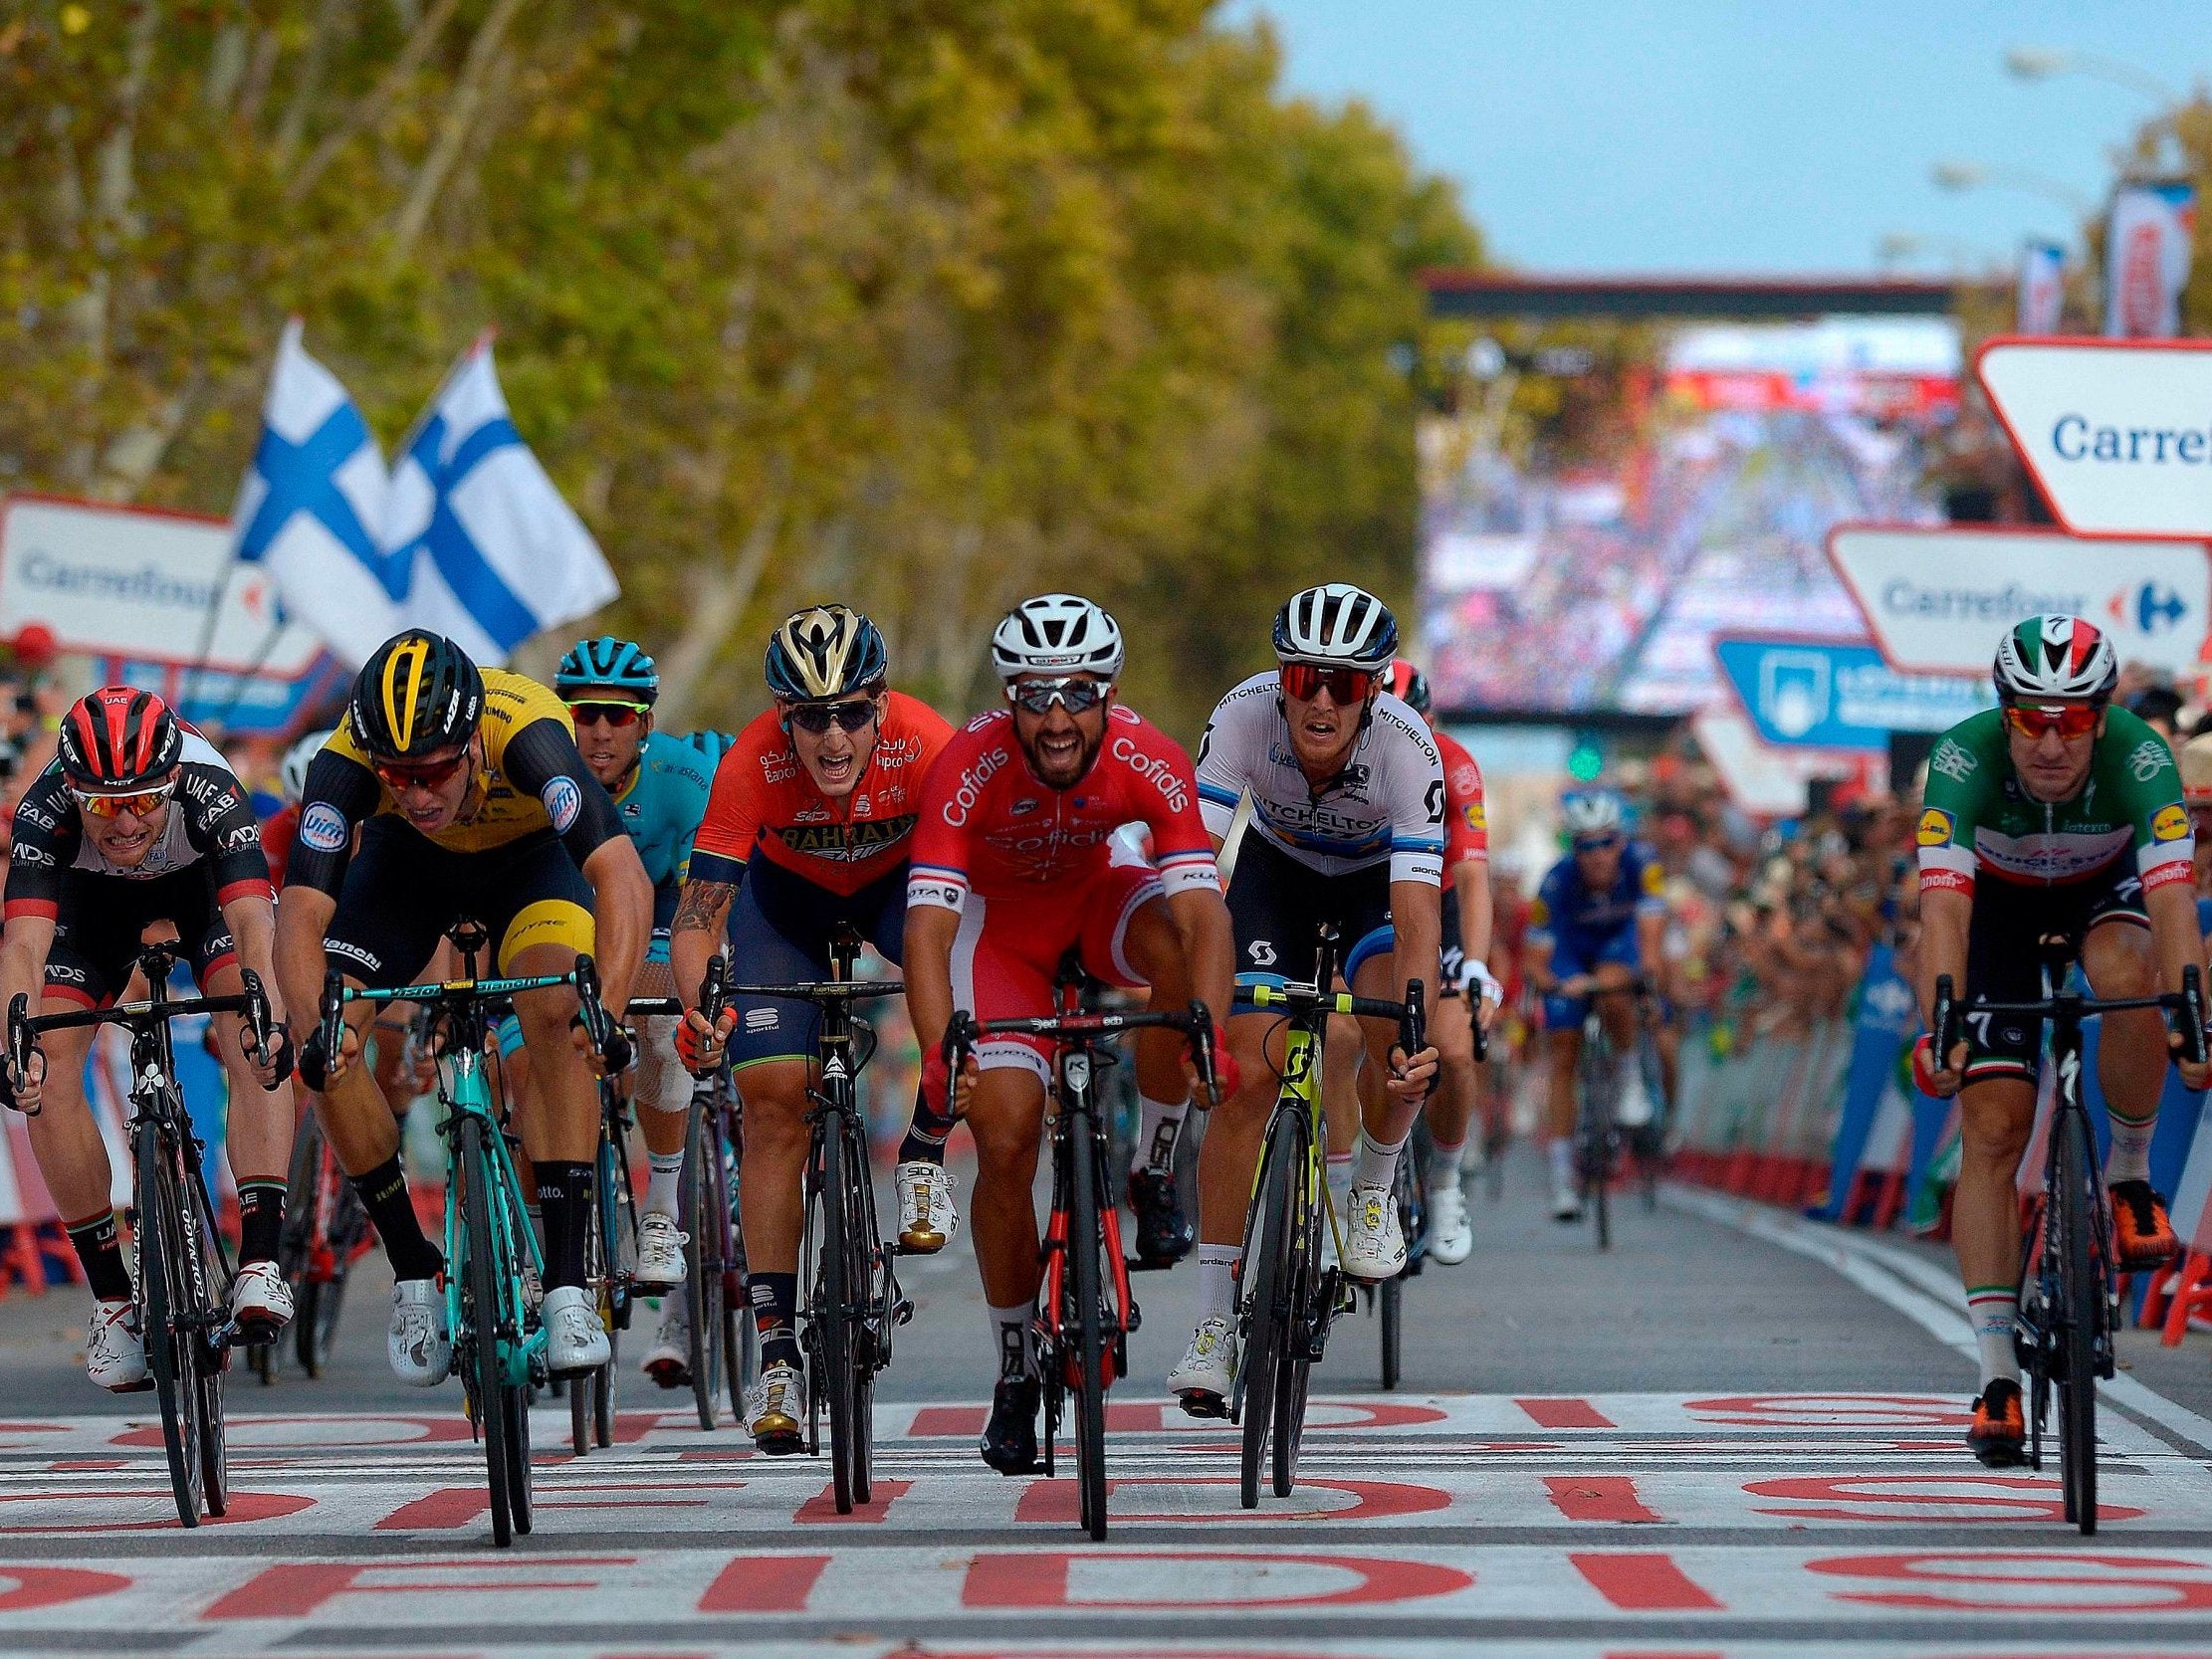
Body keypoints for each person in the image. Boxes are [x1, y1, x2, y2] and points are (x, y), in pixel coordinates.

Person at [895, 593, 1236, 1471]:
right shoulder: (967, 764)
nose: (1056, 718)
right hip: (999, 931)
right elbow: (928, 934)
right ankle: (1013, 1370)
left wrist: (1212, 1031)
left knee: (1173, 952)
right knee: (1005, 1136)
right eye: (1035, 695)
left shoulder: (1147, 756)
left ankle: (1154, 1164)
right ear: (1009, 697)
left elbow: (1204, 914)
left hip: (1094, 903)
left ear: (1107, 695)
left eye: (1077, 693)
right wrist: (943, 1058)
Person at [275, 630, 654, 1386]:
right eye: (397, 775)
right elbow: (299, 918)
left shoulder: (530, 733)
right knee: (329, 1043)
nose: (416, 793)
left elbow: (622, 877)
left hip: (529, 867)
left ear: (471, 744)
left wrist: (605, 1009)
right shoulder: (345, 760)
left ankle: (571, 1281)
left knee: (555, 1012)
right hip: (405, 873)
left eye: (435, 771)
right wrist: (317, 1026)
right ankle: (414, 1270)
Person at [1913, 616, 2211, 1469]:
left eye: (2075, 719)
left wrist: (2191, 1012)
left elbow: (2174, 906)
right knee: (1996, 1126)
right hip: (1997, 911)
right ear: (2003, 712)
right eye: (2032, 718)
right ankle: (1999, 1371)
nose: (2051, 739)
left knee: (2129, 972)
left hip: (2101, 893)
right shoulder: (1960, 760)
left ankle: (2127, 1170)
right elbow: (1944, 910)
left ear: (2103, 716)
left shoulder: (2143, 758)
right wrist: (1943, 1019)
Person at [671, 606, 953, 1451]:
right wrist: (698, 1008)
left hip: (895, 891)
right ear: (782, 715)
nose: (834, 738)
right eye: (810, 716)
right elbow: (696, 915)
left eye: (853, 714)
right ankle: (778, 1349)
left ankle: (925, 1150)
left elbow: (967, 897)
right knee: (770, 1101)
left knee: (955, 1003)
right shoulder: (751, 761)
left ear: (882, 704)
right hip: (782, 905)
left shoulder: (927, 743)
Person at [1167, 583, 1443, 1417]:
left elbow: (1419, 910)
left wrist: (1416, 1018)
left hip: (1372, 887)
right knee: (1248, 1075)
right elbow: (1193, 865)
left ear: (1374, 691)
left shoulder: (1407, 748)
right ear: (1283, 677)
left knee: (1392, 1029)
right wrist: (1196, 998)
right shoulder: (1243, 715)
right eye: (1307, 677)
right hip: (1276, 876)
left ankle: (1372, 1188)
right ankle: (1215, 1321)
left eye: (1346, 684)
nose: (1322, 698)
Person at [0, 689, 297, 1389]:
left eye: (144, 800)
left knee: (249, 1026)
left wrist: (269, 1015)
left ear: (171, 781)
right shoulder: (45, 810)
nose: (126, 820)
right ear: (74, 790)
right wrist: (15, 1039)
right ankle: (113, 1303)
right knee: (50, 1066)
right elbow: (21, 944)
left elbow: (256, 925)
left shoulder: (210, 786)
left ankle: (259, 1260)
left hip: (201, 895)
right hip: (90, 906)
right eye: (103, 804)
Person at [546, 637, 713, 1350]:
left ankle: (661, 1209)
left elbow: (700, 910)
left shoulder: (680, 777)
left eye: (618, 715)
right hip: (574, 916)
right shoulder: (541, 780)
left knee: (658, 1017)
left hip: (666, 915)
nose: (601, 732)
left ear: (645, 722)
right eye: (585, 717)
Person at [1388, 658, 1498, 1265]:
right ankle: (1347, 1181)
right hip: (1367, 901)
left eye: (1418, 727)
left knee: (1454, 1047)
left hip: (1441, 903)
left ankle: (1446, 1180)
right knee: (1343, 1024)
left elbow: (1474, 877)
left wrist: (1476, 967)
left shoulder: (1455, 765)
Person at [1523, 788, 1665, 1223]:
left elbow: (1652, 943)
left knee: (1614, 989)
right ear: (1574, 848)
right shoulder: (1554, 882)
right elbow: (1536, 962)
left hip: (1619, 945)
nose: (1596, 854)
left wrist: (1646, 981)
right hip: (1570, 952)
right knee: (1563, 1052)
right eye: (1585, 845)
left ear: (1620, 842)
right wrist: (1554, 985)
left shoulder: (1645, 866)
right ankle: (1563, 1179)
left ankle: (1628, 1080)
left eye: (1605, 842)